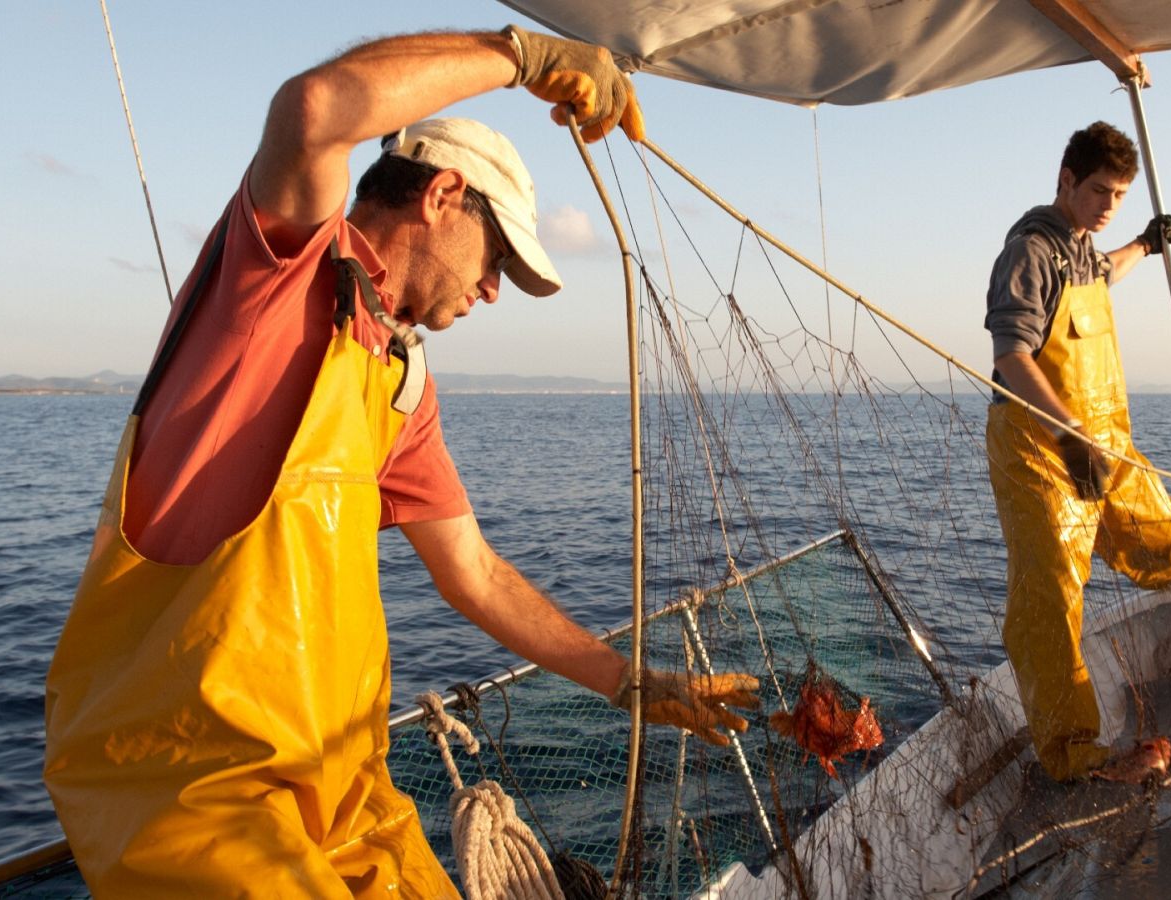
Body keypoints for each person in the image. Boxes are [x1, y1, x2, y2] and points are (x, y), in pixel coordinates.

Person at [44, 27, 758, 896]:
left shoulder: (399, 381)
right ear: (444, 195)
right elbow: (310, 112)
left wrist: (631, 682)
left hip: (346, 794)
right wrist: (525, 59)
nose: (493, 289)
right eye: (496, 257)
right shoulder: (281, 272)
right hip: (201, 795)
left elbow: (476, 576)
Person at [982, 121, 1171, 783]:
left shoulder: (1084, 248)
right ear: (1065, 182)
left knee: (1156, 531)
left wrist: (1147, 244)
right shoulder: (1031, 251)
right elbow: (1012, 357)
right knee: (1050, 598)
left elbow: (1106, 272)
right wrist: (1069, 433)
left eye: (1120, 195)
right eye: (1100, 191)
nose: (1110, 205)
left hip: (1103, 440)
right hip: (1040, 446)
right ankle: (1071, 751)